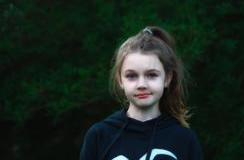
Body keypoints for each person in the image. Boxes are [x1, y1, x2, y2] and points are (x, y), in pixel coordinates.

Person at [80, 26, 204, 160]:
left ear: (167, 78)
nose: (142, 85)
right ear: (120, 80)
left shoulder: (184, 138)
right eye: (132, 76)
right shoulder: (100, 135)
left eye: (151, 75)